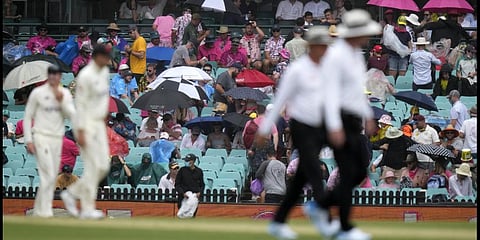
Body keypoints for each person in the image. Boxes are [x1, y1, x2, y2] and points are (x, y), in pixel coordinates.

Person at [255, 26, 334, 240]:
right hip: (301, 125)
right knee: (314, 169)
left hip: (318, 125)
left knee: (302, 176)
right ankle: (321, 212)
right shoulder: (298, 70)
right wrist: (265, 127)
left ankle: (279, 221)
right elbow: (280, 100)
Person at [316, 9, 381, 239]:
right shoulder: (337, 57)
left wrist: (368, 116)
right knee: (349, 171)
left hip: (351, 119)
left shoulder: (354, 56)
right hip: (338, 118)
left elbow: (356, 91)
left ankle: (323, 207)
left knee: (357, 172)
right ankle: (342, 226)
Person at [60, 44, 112, 219]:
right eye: (105, 57)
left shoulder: (104, 73)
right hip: (86, 123)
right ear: (97, 57)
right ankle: (88, 208)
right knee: (92, 165)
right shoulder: (86, 76)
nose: (107, 60)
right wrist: (80, 130)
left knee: (103, 166)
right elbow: (80, 105)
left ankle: (72, 194)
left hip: (99, 124)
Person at [23, 64, 76, 218]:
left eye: (57, 75)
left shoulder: (64, 93)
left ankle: (41, 208)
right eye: (51, 75)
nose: (54, 78)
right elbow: (27, 116)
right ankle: (43, 209)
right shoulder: (38, 93)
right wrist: (28, 140)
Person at [385, 16, 412, 83]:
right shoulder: (392, 31)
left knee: (402, 73)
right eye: (400, 24)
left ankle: (400, 87)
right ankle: (391, 88)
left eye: (403, 25)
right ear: (397, 23)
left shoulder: (407, 33)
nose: (401, 26)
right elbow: (388, 41)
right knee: (392, 72)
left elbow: (410, 45)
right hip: (393, 55)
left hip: (403, 57)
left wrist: (408, 51)